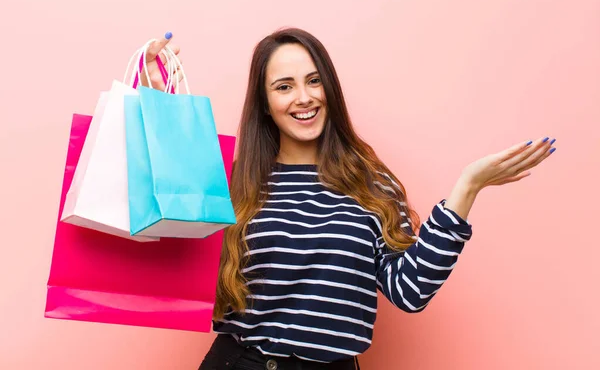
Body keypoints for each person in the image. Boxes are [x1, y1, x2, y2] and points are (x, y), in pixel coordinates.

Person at [140, 28, 556, 370]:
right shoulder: (232, 184)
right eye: (284, 86)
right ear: (265, 105)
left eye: (313, 80)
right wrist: (163, 111)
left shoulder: (372, 184)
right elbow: (168, 245)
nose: (303, 97)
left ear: (330, 88)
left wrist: (467, 188)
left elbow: (409, 291)